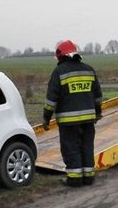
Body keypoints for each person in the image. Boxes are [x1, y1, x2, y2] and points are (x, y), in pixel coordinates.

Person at [43, 40, 103, 187]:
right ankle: (88, 177)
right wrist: (97, 113)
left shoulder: (59, 72)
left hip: (68, 122)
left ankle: (75, 178)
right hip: (88, 120)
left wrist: (46, 118)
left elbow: (51, 100)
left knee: (71, 148)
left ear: (60, 56)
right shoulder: (89, 70)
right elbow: (98, 96)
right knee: (87, 146)